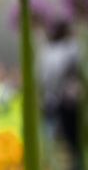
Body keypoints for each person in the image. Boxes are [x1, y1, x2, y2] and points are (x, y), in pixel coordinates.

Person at [39, 18, 82, 170]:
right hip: (66, 101)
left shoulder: (51, 50)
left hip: (61, 101)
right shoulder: (69, 48)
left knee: (71, 141)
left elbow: (44, 77)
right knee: (73, 141)